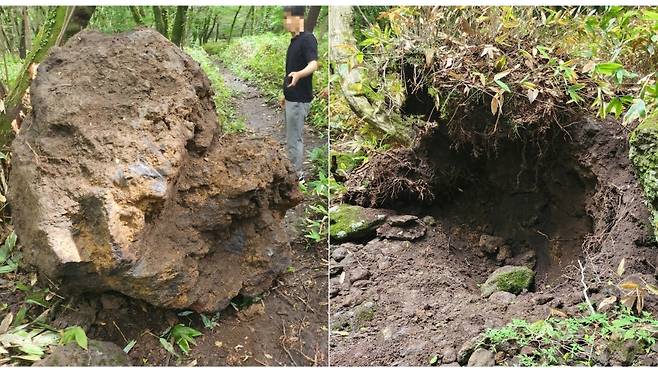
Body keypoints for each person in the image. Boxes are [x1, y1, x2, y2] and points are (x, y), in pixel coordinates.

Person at [282, 6, 318, 181]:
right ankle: (293, 171)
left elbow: (313, 64)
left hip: (299, 99)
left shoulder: (307, 39)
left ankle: (296, 176)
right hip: (291, 98)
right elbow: (290, 70)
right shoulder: (294, 41)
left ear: (299, 19)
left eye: (288, 18)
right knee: (291, 137)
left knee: (294, 139)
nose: (286, 23)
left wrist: (299, 74)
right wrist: (285, 94)